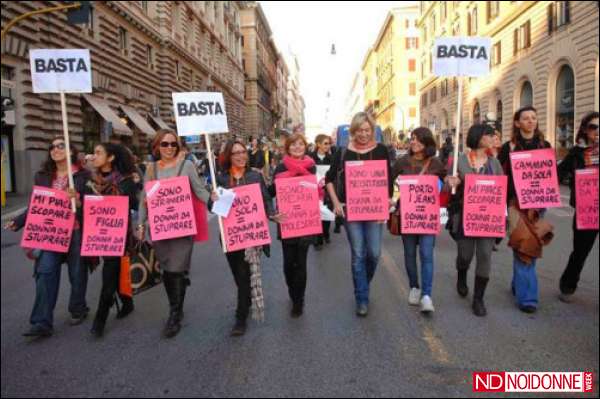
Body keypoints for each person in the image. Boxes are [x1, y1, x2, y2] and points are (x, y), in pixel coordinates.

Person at [5, 136, 91, 337]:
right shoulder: (42, 176)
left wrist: (78, 202)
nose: (55, 149)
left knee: (77, 273)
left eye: (61, 146)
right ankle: (41, 322)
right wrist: (18, 221)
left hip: (76, 231)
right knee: (45, 272)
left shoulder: (84, 176)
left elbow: (93, 206)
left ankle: (78, 308)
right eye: (52, 147)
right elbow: (38, 206)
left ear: (70, 151)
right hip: (49, 233)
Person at [137, 130, 211, 338]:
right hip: (160, 228)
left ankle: (175, 314)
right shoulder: (150, 170)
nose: (169, 148)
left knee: (176, 270)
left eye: (173, 145)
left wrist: (216, 202)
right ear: (157, 147)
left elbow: (199, 190)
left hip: (182, 227)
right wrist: (141, 224)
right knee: (168, 271)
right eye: (165, 144)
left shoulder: (186, 166)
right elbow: (145, 197)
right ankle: (175, 303)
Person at [208, 140, 280, 336]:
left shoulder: (255, 176)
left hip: (252, 236)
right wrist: (213, 199)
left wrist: (273, 215)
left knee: (244, 276)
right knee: (239, 276)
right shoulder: (221, 179)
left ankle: (240, 318)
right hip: (231, 237)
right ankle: (246, 298)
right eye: (235, 153)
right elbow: (212, 207)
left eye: (243, 152)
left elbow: (265, 200)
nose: (241, 156)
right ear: (228, 157)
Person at [325, 112, 393, 317]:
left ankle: (363, 281)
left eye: (367, 130)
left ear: (372, 131)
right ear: (353, 131)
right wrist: (336, 203)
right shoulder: (343, 152)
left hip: (375, 209)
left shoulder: (381, 150)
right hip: (350, 209)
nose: (363, 134)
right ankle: (361, 297)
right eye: (360, 130)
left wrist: (387, 200)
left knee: (374, 253)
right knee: (358, 254)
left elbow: (388, 179)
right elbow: (328, 179)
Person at [498, 106, 553, 313]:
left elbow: (551, 174)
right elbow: (499, 174)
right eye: (526, 118)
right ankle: (528, 298)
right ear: (517, 123)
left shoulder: (544, 145)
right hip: (515, 204)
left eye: (533, 118)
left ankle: (518, 284)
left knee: (530, 245)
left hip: (538, 204)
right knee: (523, 245)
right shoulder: (508, 148)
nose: (531, 121)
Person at [446, 124, 504, 316]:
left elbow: (501, 191)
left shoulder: (494, 164)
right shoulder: (460, 162)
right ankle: (461, 275)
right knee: (465, 255)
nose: (493, 138)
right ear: (479, 137)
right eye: (489, 134)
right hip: (465, 216)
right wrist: (451, 182)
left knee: (485, 255)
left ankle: (478, 298)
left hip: (488, 219)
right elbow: (447, 191)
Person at [86, 143, 140, 338]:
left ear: (111, 158)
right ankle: (127, 302)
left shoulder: (125, 180)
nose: (94, 155)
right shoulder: (89, 179)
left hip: (119, 237)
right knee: (116, 273)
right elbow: (84, 204)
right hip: (97, 234)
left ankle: (99, 320)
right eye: (94, 152)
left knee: (109, 275)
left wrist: (132, 188)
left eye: (99, 152)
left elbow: (134, 204)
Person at [391, 127, 446, 313]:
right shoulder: (402, 162)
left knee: (426, 254)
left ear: (428, 143)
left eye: (419, 140)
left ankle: (427, 295)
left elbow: (445, 187)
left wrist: (451, 183)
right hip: (407, 214)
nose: (414, 142)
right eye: (412, 138)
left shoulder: (436, 164)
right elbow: (388, 179)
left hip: (427, 217)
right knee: (409, 254)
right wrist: (390, 198)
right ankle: (414, 286)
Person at [269, 133, 318, 317]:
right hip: (287, 222)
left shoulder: (311, 167)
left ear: (305, 147)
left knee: (302, 264)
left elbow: (317, 191)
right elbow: (272, 191)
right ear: (288, 148)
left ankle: (299, 301)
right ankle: (292, 291)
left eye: (301, 144)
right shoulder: (281, 167)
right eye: (294, 145)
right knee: (289, 265)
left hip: (306, 223)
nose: (297, 147)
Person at [557, 111, 599, 303]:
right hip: (587, 211)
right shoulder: (575, 153)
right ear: (585, 129)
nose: (598, 131)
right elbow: (557, 174)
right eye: (593, 127)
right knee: (580, 252)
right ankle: (568, 284)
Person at [310, 134, 334, 249]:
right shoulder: (310, 158)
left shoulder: (331, 159)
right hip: (314, 190)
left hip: (327, 190)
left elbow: (335, 175)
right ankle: (317, 240)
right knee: (317, 214)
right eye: (325, 143)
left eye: (329, 143)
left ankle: (326, 232)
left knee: (327, 212)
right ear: (318, 144)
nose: (328, 146)